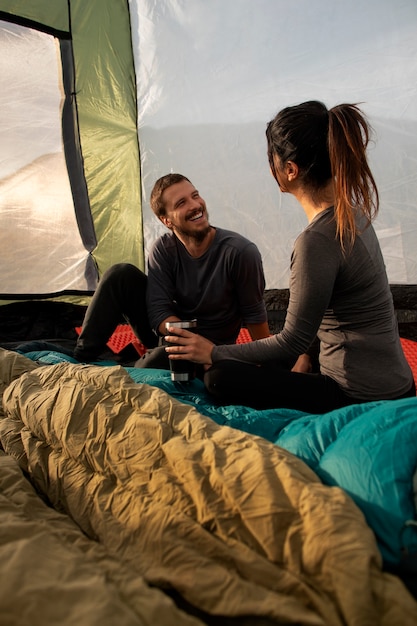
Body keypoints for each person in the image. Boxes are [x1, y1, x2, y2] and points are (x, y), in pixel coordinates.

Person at [165, 101, 416, 412]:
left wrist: (214, 352)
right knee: (266, 361)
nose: (269, 166)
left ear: (290, 170)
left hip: (358, 395)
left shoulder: (316, 241)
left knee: (220, 376)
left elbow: (293, 340)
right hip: (398, 383)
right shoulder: (353, 213)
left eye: (272, 157)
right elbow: (321, 320)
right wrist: (305, 359)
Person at [73, 173, 270, 369]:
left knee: (151, 365)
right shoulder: (163, 249)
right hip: (171, 334)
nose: (195, 205)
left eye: (195, 196)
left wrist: (265, 363)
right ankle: (81, 358)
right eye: (181, 203)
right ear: (166, 220)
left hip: (211, 350)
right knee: (120, 275)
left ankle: (148, 360)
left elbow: (255, 317)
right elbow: (158, 310)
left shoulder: (240, 253)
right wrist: (184, 338)